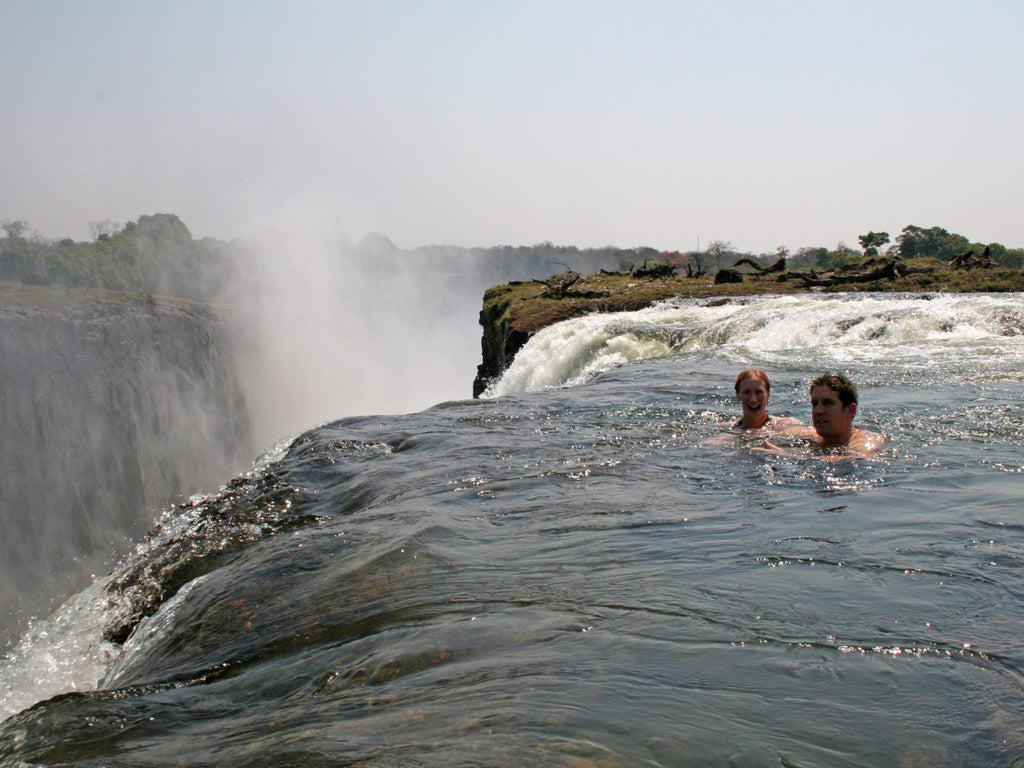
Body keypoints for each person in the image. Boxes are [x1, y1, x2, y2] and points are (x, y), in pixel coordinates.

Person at [782, 372, 884, 458]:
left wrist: (788, 456)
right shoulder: (809, 435)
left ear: (850, 410)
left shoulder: (864, 440)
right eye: (815, 404)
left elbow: (857, 458)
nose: (818, 411)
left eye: (828, 403)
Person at [731, 368, 801, 431]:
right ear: (738, 395)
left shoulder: (789, 425)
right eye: (747, 392)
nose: (753, 399)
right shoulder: (728, 429)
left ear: (768, 394)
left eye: (759, 392)